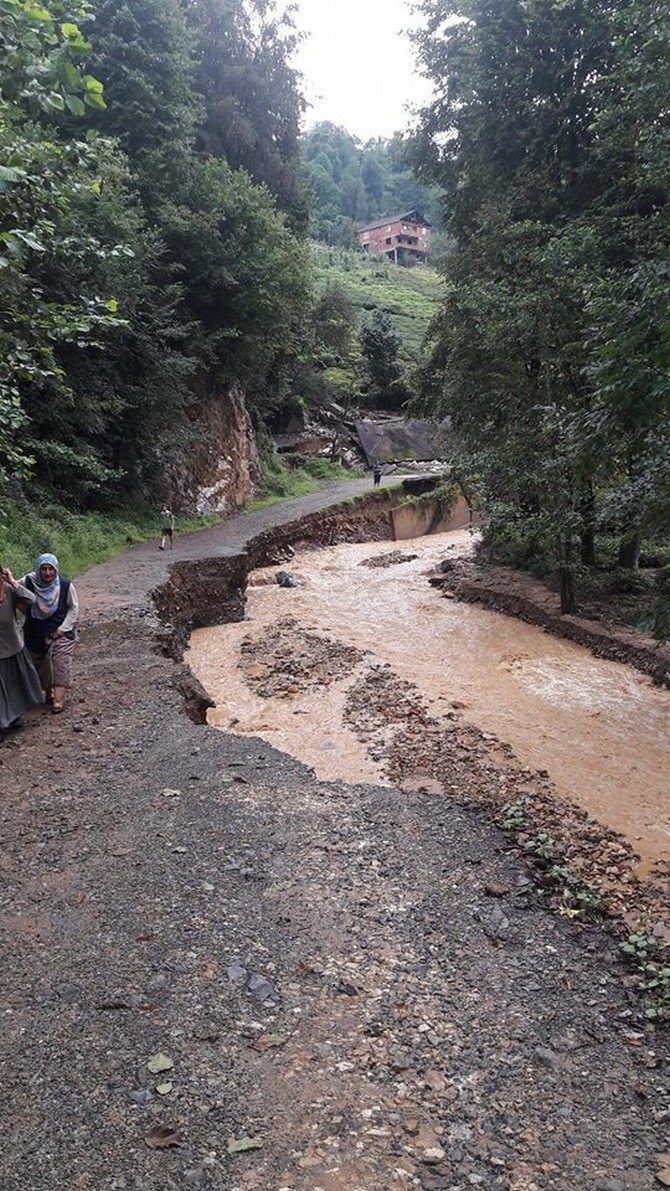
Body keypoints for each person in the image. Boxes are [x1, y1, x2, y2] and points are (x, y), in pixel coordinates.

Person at [20, 553, 79, 715]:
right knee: (40, 666)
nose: (47, 573)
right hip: (35, 631)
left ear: (56, 569)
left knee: (60, 663)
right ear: (38, 570)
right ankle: (48, 693)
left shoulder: (66, 585)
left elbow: (73, 608)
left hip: (61, 630)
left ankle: (58, 701)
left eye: (51, 569)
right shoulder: (28, 582)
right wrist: (27, 611)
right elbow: (13, 592)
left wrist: (63, 629)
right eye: (44, 569)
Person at [0, 563, 44, 732]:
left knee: (14, 685)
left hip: (13, 646)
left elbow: (31, 600)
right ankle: (3, 721)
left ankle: (15, 715)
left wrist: (12, 581)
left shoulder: (10, 590)